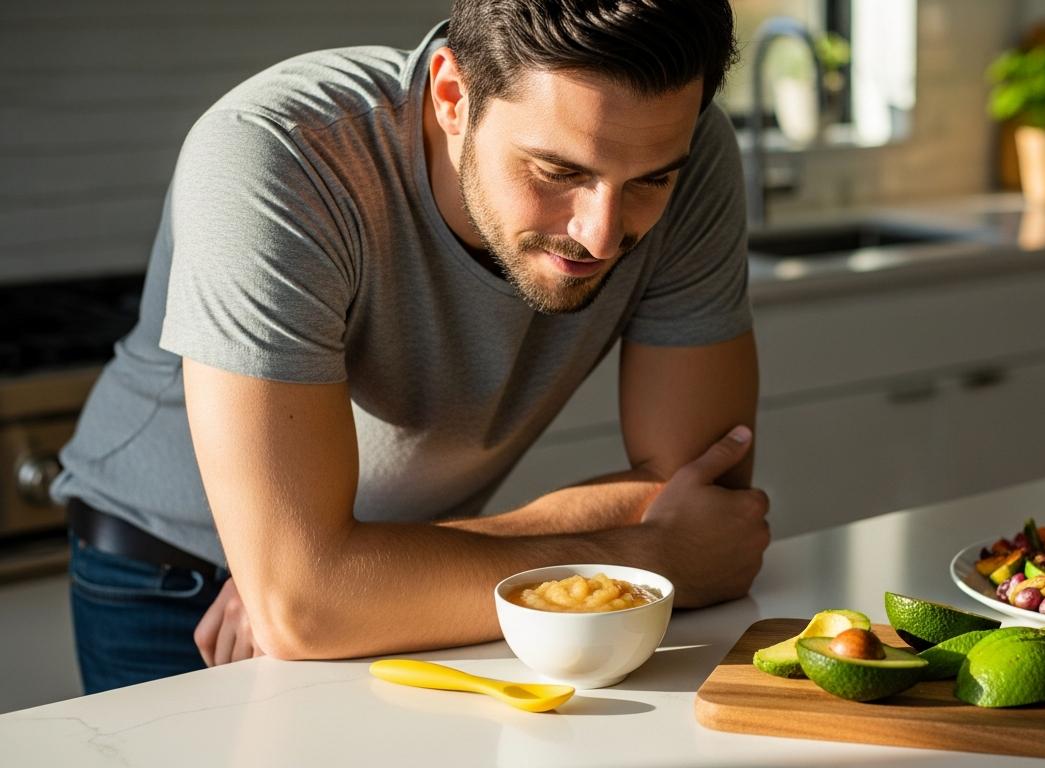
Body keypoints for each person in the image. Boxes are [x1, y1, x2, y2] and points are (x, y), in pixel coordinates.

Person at [52, 0, 769, 695]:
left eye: (651, 181)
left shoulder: (688, 150)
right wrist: (651, 554)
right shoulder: (276, 154)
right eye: (559, 172)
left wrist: (362, 577)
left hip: (427, 583)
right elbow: (303, 606)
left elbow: (705, 496)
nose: (602, 234)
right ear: (454, 95)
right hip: (173, 579)